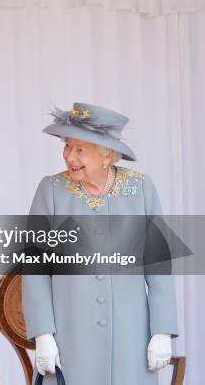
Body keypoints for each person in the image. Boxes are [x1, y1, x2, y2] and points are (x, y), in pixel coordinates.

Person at [22, 103, 178, 384]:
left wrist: (162, 331)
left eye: (80, 149)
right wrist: (43, 334)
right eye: (67, 145)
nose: (70, 156)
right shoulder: (51, 190)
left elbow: (159, 263)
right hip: (70, 337)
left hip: (130, 336)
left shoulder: (140, 188)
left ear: (106, 155)